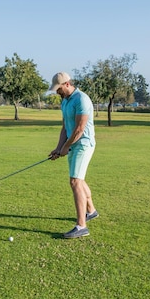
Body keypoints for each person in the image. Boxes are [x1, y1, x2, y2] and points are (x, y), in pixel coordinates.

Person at [48, 72, 99, 238]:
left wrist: (66, 147)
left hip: (83, 144)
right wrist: (58, 148)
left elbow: (79, 129)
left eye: (59, 88)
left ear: (67, 84)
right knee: (79, 178)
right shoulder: (65, 101)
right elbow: (65, 127)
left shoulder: (82, 99)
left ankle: (81, 226)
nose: (57, 92)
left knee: (75, 181)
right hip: (72, 144)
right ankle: (91, 211)